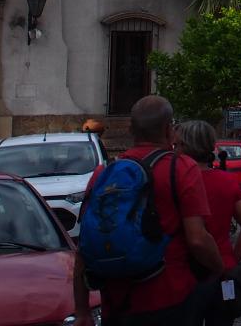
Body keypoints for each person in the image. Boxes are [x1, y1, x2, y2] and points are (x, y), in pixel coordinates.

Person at [75, 94, 225, 326]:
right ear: (169, 130)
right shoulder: (182, 168)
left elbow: (84, 245)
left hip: (116, 303)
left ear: (130, 129)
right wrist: (220, 269)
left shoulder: (105, 172)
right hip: (169, 298)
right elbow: (197, 239)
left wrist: (82, 310)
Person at [175, 120, 241, 326]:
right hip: (222, 271)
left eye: (177, 145)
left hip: (185, 274)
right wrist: (232, 260)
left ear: (185, 146)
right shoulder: (226, 181)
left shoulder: (177, 182)